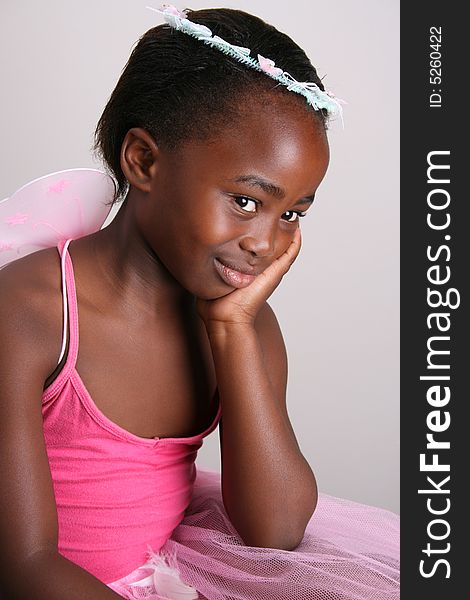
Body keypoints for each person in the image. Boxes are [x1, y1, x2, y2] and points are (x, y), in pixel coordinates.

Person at [0, 5, 399, 599]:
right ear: (145, 161)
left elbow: (278, 527)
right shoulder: (30, 314)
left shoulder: (241, 322)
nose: (265, 242)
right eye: (244, 200)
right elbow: (25, 564)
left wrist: (234, 332)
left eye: (291, 213)